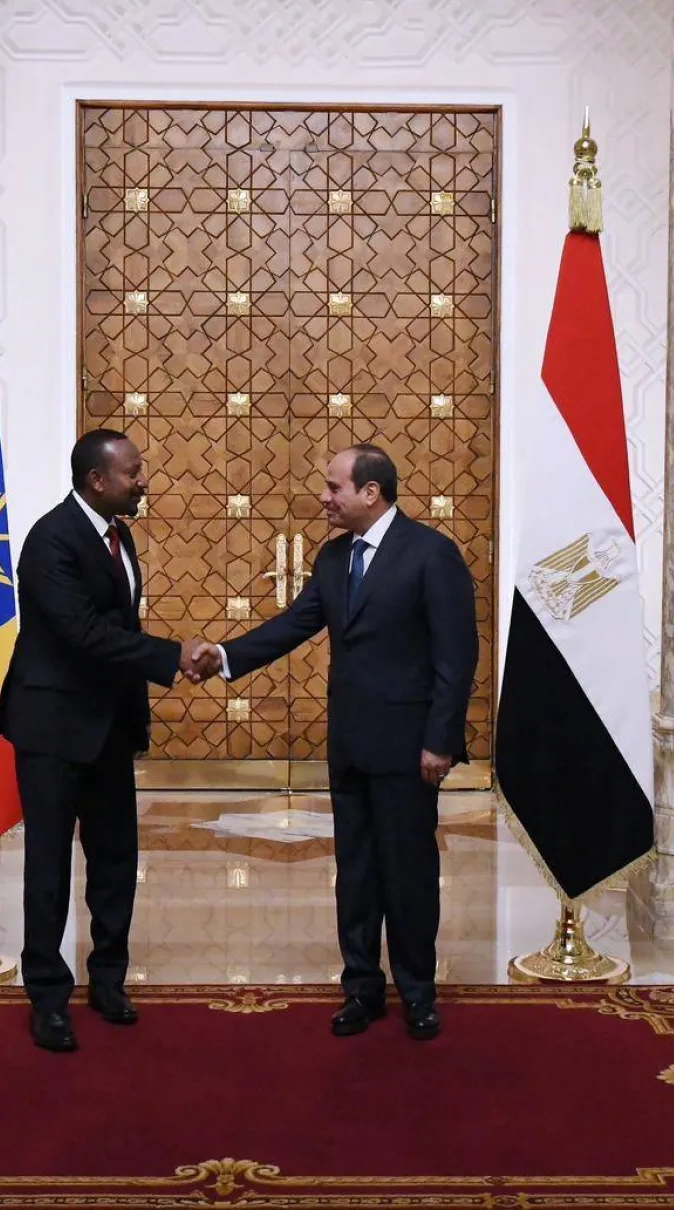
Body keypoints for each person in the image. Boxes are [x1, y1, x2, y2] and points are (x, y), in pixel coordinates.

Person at [191, 444, 478, 1039]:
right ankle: (362, 990)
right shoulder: (332, 557)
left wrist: (441, 740)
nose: (324, 497)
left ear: (370, 493)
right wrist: (224, 656)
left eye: (333, 487)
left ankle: (418, 995)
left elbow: (457, 656)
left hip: (409, 748)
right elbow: (296, 624)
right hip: (349, 743)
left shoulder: (431, 554)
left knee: (409, 872)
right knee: (356, 870)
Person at [0, 429, 208, 1052]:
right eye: (133, 472)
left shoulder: (118, 533)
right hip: (55, 730)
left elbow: (118, 624)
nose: (144, 480)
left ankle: (109, 980)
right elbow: (85, 633)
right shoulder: (51, 541)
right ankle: (48, 996)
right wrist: (174, 656)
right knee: (50, 865)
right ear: (97, 480)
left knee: (116, 858)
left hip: (109, 728)